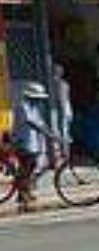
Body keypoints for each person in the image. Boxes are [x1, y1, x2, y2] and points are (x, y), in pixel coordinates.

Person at [10, 82, 55, 211]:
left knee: (32, 166)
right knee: (27, 166)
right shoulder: (22, 106)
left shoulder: (34, 107)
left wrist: (50, 132)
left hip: (32, 141)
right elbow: (31, 122)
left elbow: (40, 122)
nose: (39, 100)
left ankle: (24, 191)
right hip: (22, 141)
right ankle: (23, 193)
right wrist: (46, 133)